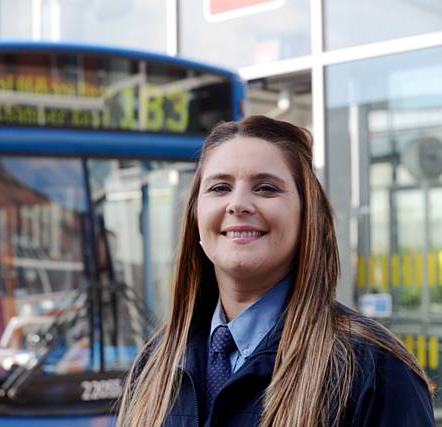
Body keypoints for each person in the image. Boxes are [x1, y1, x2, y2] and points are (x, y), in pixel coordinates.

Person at [116, 115, 434, 427]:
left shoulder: (372, 368)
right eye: (219, 188)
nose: (238, 204)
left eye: (266, 188)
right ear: (195, 216)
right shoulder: (156, 364)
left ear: (307, 215)